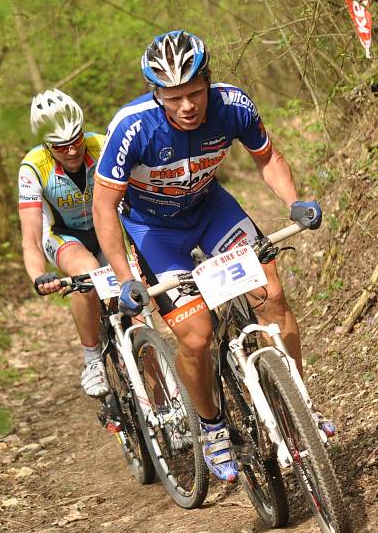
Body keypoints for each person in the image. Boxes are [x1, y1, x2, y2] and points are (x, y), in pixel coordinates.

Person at [92, 30, 327, 482]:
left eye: (195, 93)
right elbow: (104, 208)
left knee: (272, 296)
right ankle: (212, 425)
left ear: (208, 83)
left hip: (211, 211)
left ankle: (302, 407)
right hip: (156, 232)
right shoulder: (133, 127)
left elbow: (268, 157)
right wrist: (125, 278)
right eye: (174, 97)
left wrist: (293, 201)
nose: (187, 106)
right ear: (156, 94)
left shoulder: (233, 105)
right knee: (196, 338)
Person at [18, 89, 109, 398]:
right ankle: (92, 359)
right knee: (87, 272)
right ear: (46, 145)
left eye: (76, 140)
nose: (71, 151)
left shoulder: (102, 145)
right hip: (64, 236)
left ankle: (168, 407)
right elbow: (30, 237)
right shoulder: (33, 167)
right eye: (60, 146)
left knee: (135, 312)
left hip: (107, 227)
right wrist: (38, 276)